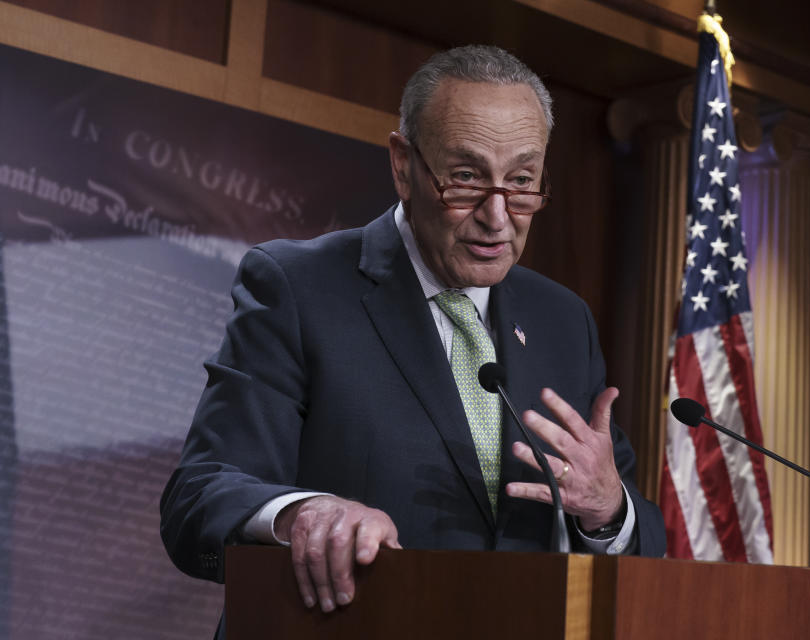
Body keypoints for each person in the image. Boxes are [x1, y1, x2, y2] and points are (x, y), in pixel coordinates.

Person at [160, 44, 665, 623]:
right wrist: (303, 515)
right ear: (403, 164)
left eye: (522, 180)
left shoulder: (561, 320)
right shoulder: (298, 287)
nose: (497, 216)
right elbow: (196, 498)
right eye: (467, 177)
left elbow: (647, 538)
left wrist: (607, 511)